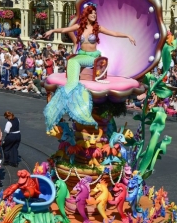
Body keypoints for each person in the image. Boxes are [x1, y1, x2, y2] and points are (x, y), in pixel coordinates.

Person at [42, 3, 136, 131]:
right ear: (86, 14)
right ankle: (72, 90)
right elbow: (64, 30)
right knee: (72, 60)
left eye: (95, 13)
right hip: (81, 55)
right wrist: (52, 30)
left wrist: (127, 35)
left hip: (92, 58)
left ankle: (71, 88)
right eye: (91, 12)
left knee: (74, 62)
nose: (94, 15)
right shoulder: (79, 26)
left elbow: (113, 33)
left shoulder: (97, 28)